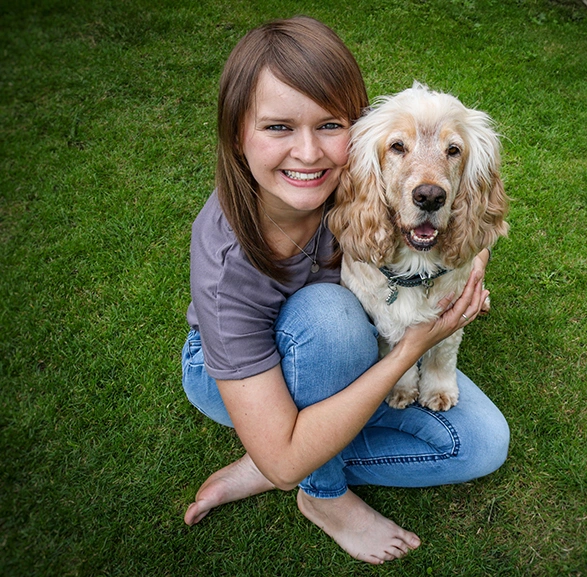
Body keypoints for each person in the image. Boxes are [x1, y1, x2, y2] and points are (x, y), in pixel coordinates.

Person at [181, 16, 509, 565]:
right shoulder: (225, 262)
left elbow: (473, 208)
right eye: (278, 128)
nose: (308, 154)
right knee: (331, 317)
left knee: (480, 444)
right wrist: (413, 348)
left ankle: (272, 457)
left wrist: (473, 261)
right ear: (237, 133)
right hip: (242, 377)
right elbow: (354, 333)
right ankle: (321, 493)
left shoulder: (358, 180)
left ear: (354, 134)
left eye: (329, 125)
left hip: (358, 356)